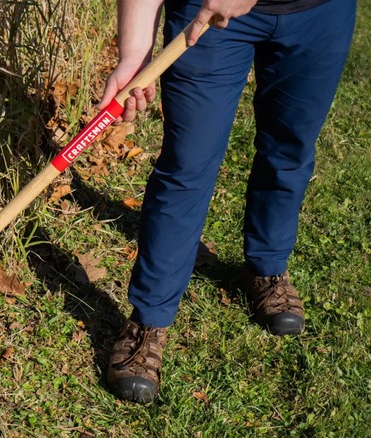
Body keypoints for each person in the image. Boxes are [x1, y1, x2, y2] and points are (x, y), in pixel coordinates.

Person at [97, 0, 356, 403]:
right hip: (206, 14)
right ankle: (149, 318)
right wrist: (134, 50)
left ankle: (268, 269)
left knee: (289, 149)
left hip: (317, 13)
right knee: (188, 162)